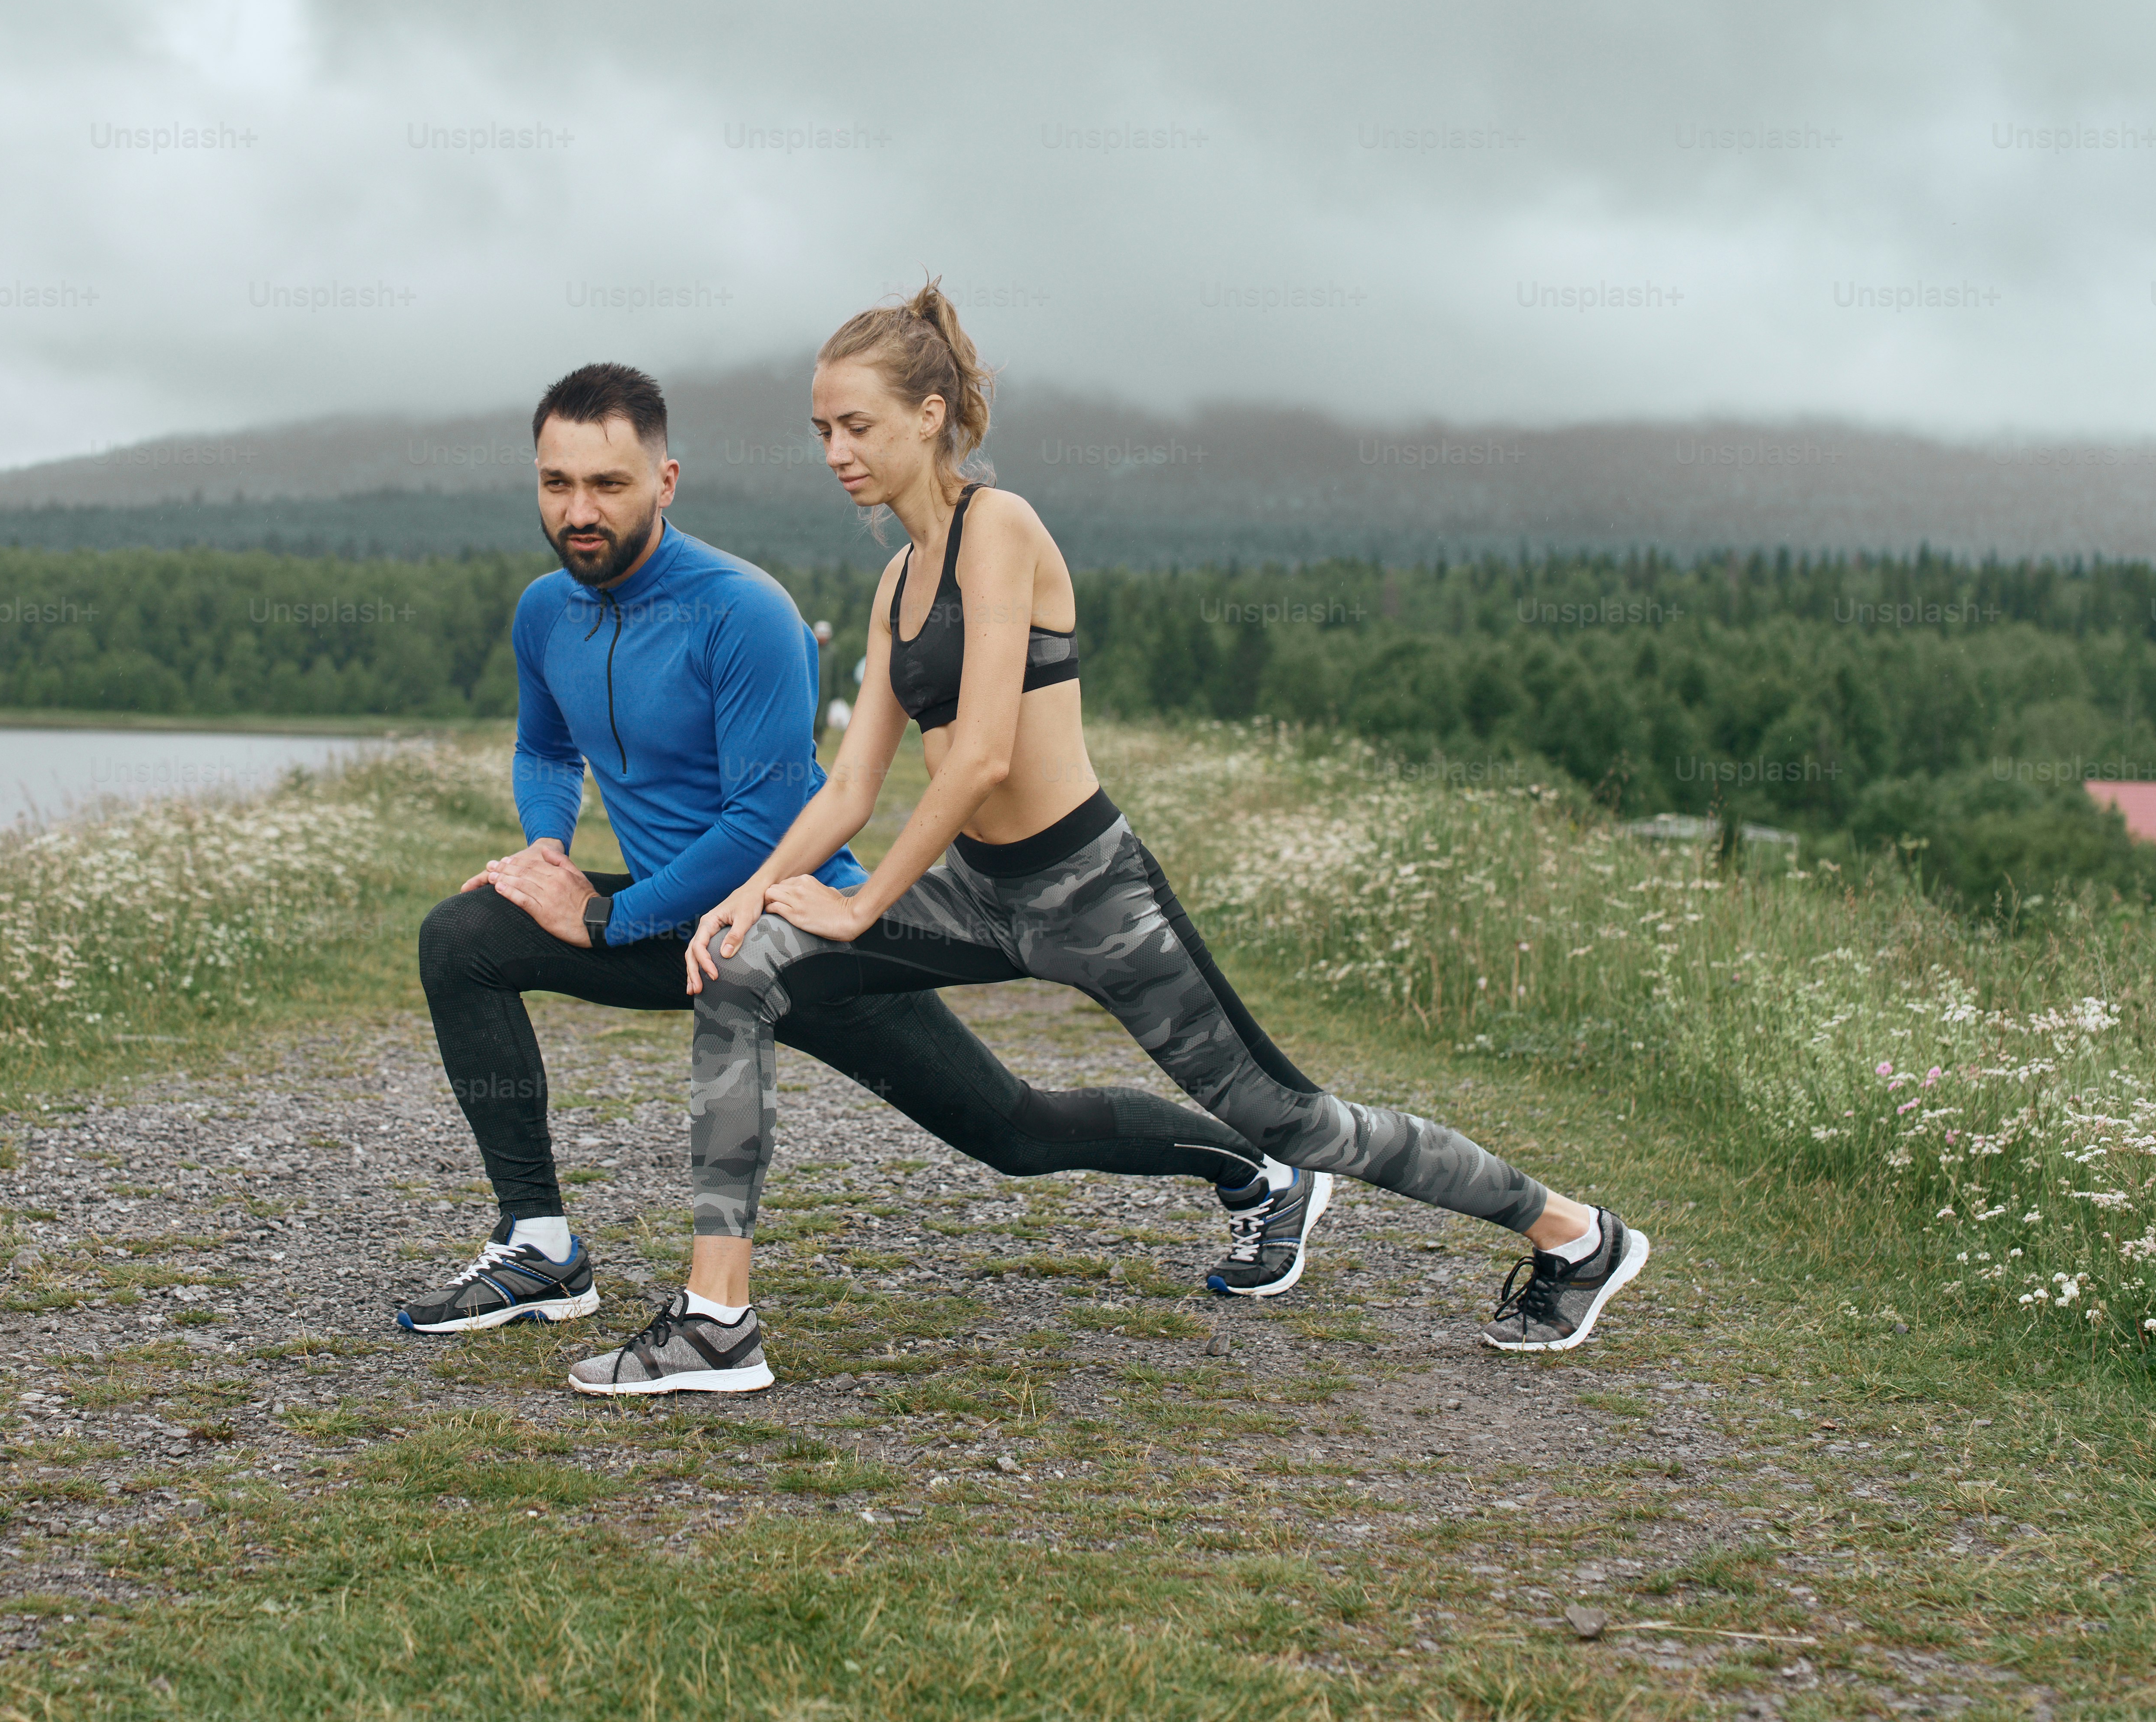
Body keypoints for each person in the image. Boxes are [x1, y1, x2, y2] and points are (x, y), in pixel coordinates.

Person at [565, 289, 1649, 1397]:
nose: (835, 451)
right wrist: (755, 891)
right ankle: (715, 1323)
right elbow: (848, 782)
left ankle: (1571, 1232)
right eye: (821, 431)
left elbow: (984, 753)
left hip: (1091, 894)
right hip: (978, 895)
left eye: (857, 426)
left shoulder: (1003, 529)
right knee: (739, 970)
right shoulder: (898, 580)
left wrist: (853, 903)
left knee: (1292, 1117)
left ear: (930, 415)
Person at [400, 361, 1336, 1354]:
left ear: (665, 482)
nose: (578, 510)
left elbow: (763, 822)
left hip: (800, 931)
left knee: (1015, 1132)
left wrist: (601, 917)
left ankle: (1259, 1166)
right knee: (463, 935)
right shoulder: (545, 611)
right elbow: (545, 749)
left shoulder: (744, 612)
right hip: (679, 929)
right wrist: (546, 851)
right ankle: (540, 1244)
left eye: (607, 484)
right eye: (557, 483)